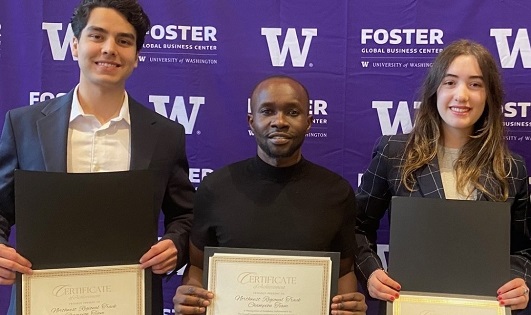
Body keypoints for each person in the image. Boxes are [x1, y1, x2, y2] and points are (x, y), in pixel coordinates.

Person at [0, 0, 195, 313]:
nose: (109, 48)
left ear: (136, 58)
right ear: (75, 45)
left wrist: (175, 244)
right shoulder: (24, 125)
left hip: (130, 301)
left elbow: (186, 215)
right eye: (97, 36)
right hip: (42, 301)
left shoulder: (165, 135)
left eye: (124, 40)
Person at [354, 39, 531, 313]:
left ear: (489, 96)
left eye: (475, 84)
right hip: (410, 306)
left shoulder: (511, 168)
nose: (462, 95)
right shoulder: (394, 153)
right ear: (434, 91)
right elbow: (356, 227)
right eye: (450, 82)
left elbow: (523, 249)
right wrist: (372, 273)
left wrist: (521, 280)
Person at [172, 75, 367, 315]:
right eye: (267, 111)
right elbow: (199, 267)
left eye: (293, 112)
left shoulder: (337, 192)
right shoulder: (215, 188)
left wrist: (347, 306)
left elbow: (344, 272)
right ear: (251, 121)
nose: (279, 122)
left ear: (309, 122)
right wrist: (190, 297)